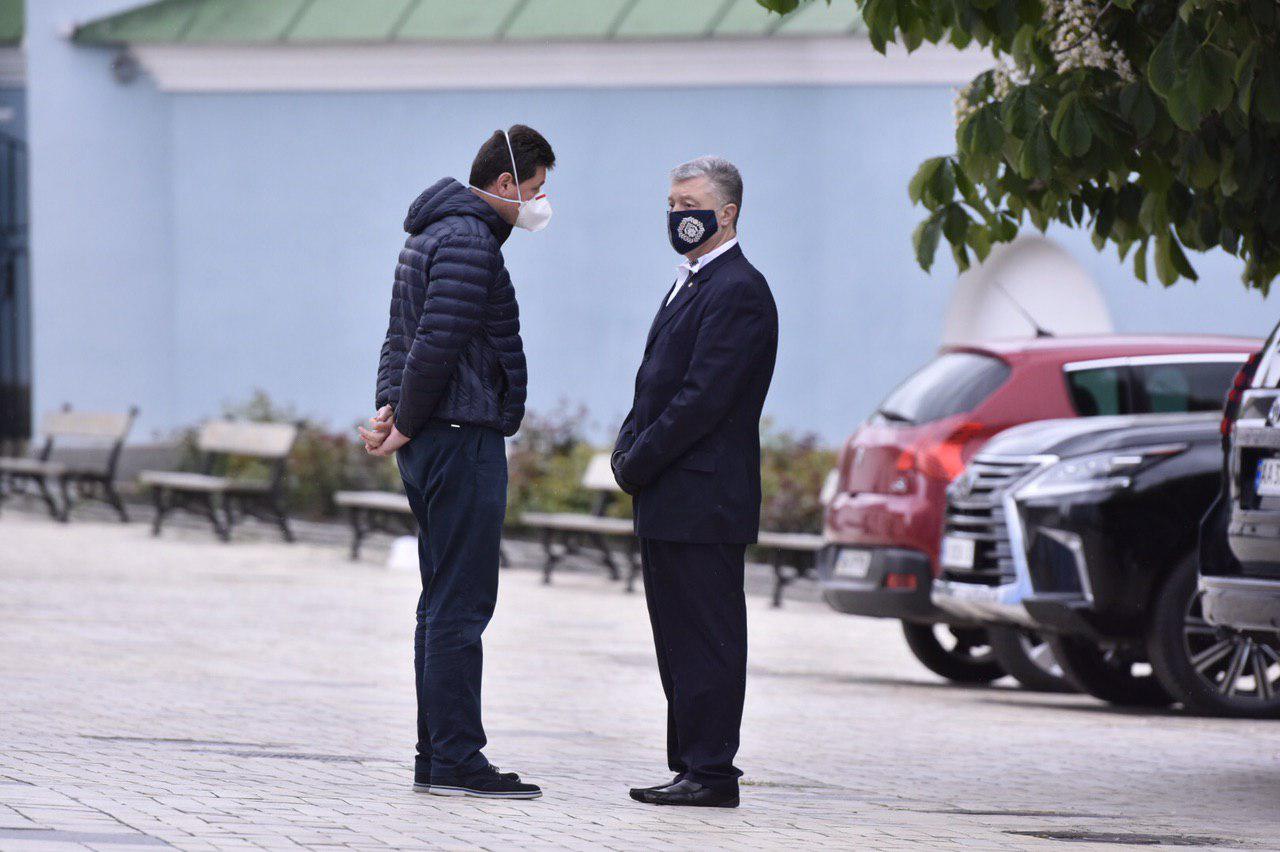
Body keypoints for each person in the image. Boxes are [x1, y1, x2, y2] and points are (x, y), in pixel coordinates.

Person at [359, 125, 555, 800]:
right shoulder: (471, 241)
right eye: (534, 189)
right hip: (460, 437)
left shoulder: (429, 234)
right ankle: (457, 759)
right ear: (504, 183)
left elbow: (399, 336)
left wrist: (391, 412)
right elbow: (436, 342)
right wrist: (406, 421)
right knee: (462, 604)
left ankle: (435, 755)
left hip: (431, 438)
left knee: (439, 600)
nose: (538, 203)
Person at [612, 156, 778, 808]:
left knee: (706, 638)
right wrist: (629, 443)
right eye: (673, 205)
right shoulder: (689, 283)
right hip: (671, 496)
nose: (679, 215)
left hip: (704, 498)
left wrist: (639, 459)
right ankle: (688, 764)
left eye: (691, 204)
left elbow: (702, 398)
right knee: (676, 639)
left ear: (727, 213)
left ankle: (711, 772)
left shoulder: (738, 290)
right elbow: (654, 382)